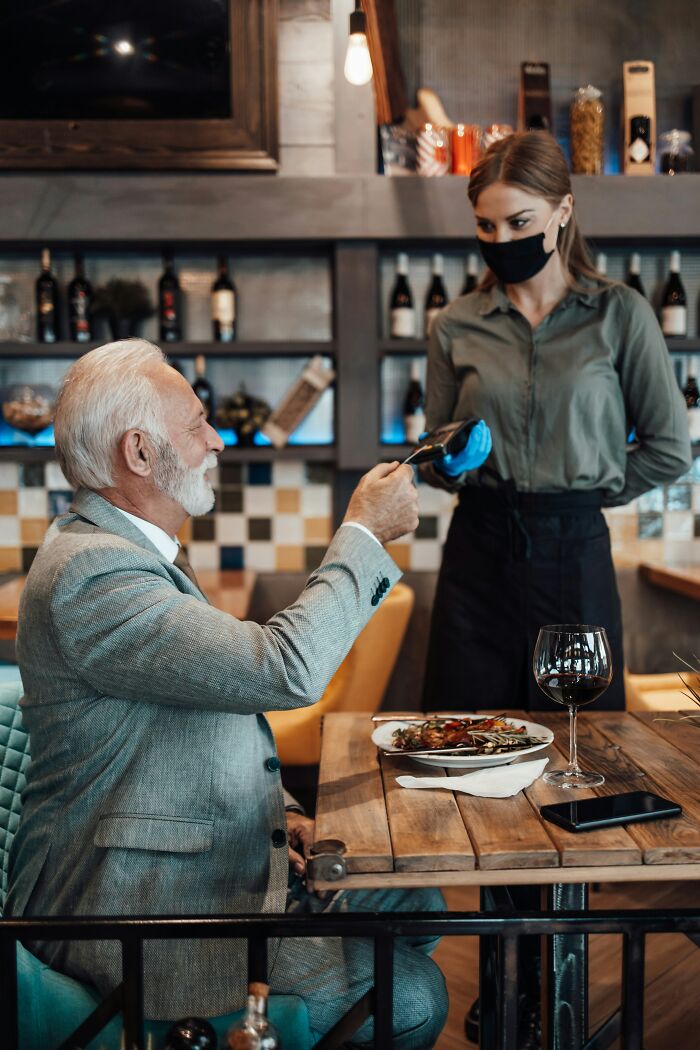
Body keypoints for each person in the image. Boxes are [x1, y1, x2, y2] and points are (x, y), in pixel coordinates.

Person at [6, 339, 448, 1049]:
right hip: (135, 902)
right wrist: (362, 530)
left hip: (196, 852)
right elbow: (284, 670)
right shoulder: (95, 575)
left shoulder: (138, 554)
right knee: (417, 993)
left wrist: (287, 813)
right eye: (198, 423)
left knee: (422, 903)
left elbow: (209, 721)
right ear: (141, 453)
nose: (216, 439)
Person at [421, 131, 691, 714]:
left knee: (581, 738)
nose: (501, 240)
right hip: (478, 553)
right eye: (486, 227)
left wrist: (587, 488)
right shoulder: (455, 324)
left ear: (563, 210)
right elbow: (435, 448)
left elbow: (670, 449)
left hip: (576, 554)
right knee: (462, 735)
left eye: (519, 223)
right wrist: (447, 463)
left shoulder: (620, 315)